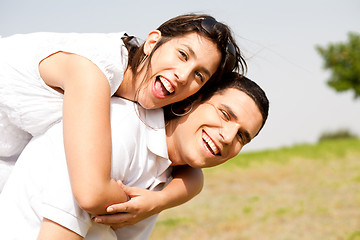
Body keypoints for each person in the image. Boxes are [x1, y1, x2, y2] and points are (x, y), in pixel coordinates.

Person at [0, 13, 246, 224]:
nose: (183, 76)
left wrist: (159, 200)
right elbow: (92, 194)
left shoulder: (148, 98)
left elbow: (189, 171)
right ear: (152, 42)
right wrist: (138, 207)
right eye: (182, 55)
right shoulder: (92, 73)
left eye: (199, 76)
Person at [0, 73, 269, 240]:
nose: (228, 137)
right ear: (191, 101)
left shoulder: (169, 172)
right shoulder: (120, 128)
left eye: (242, 137)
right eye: (224, 114)